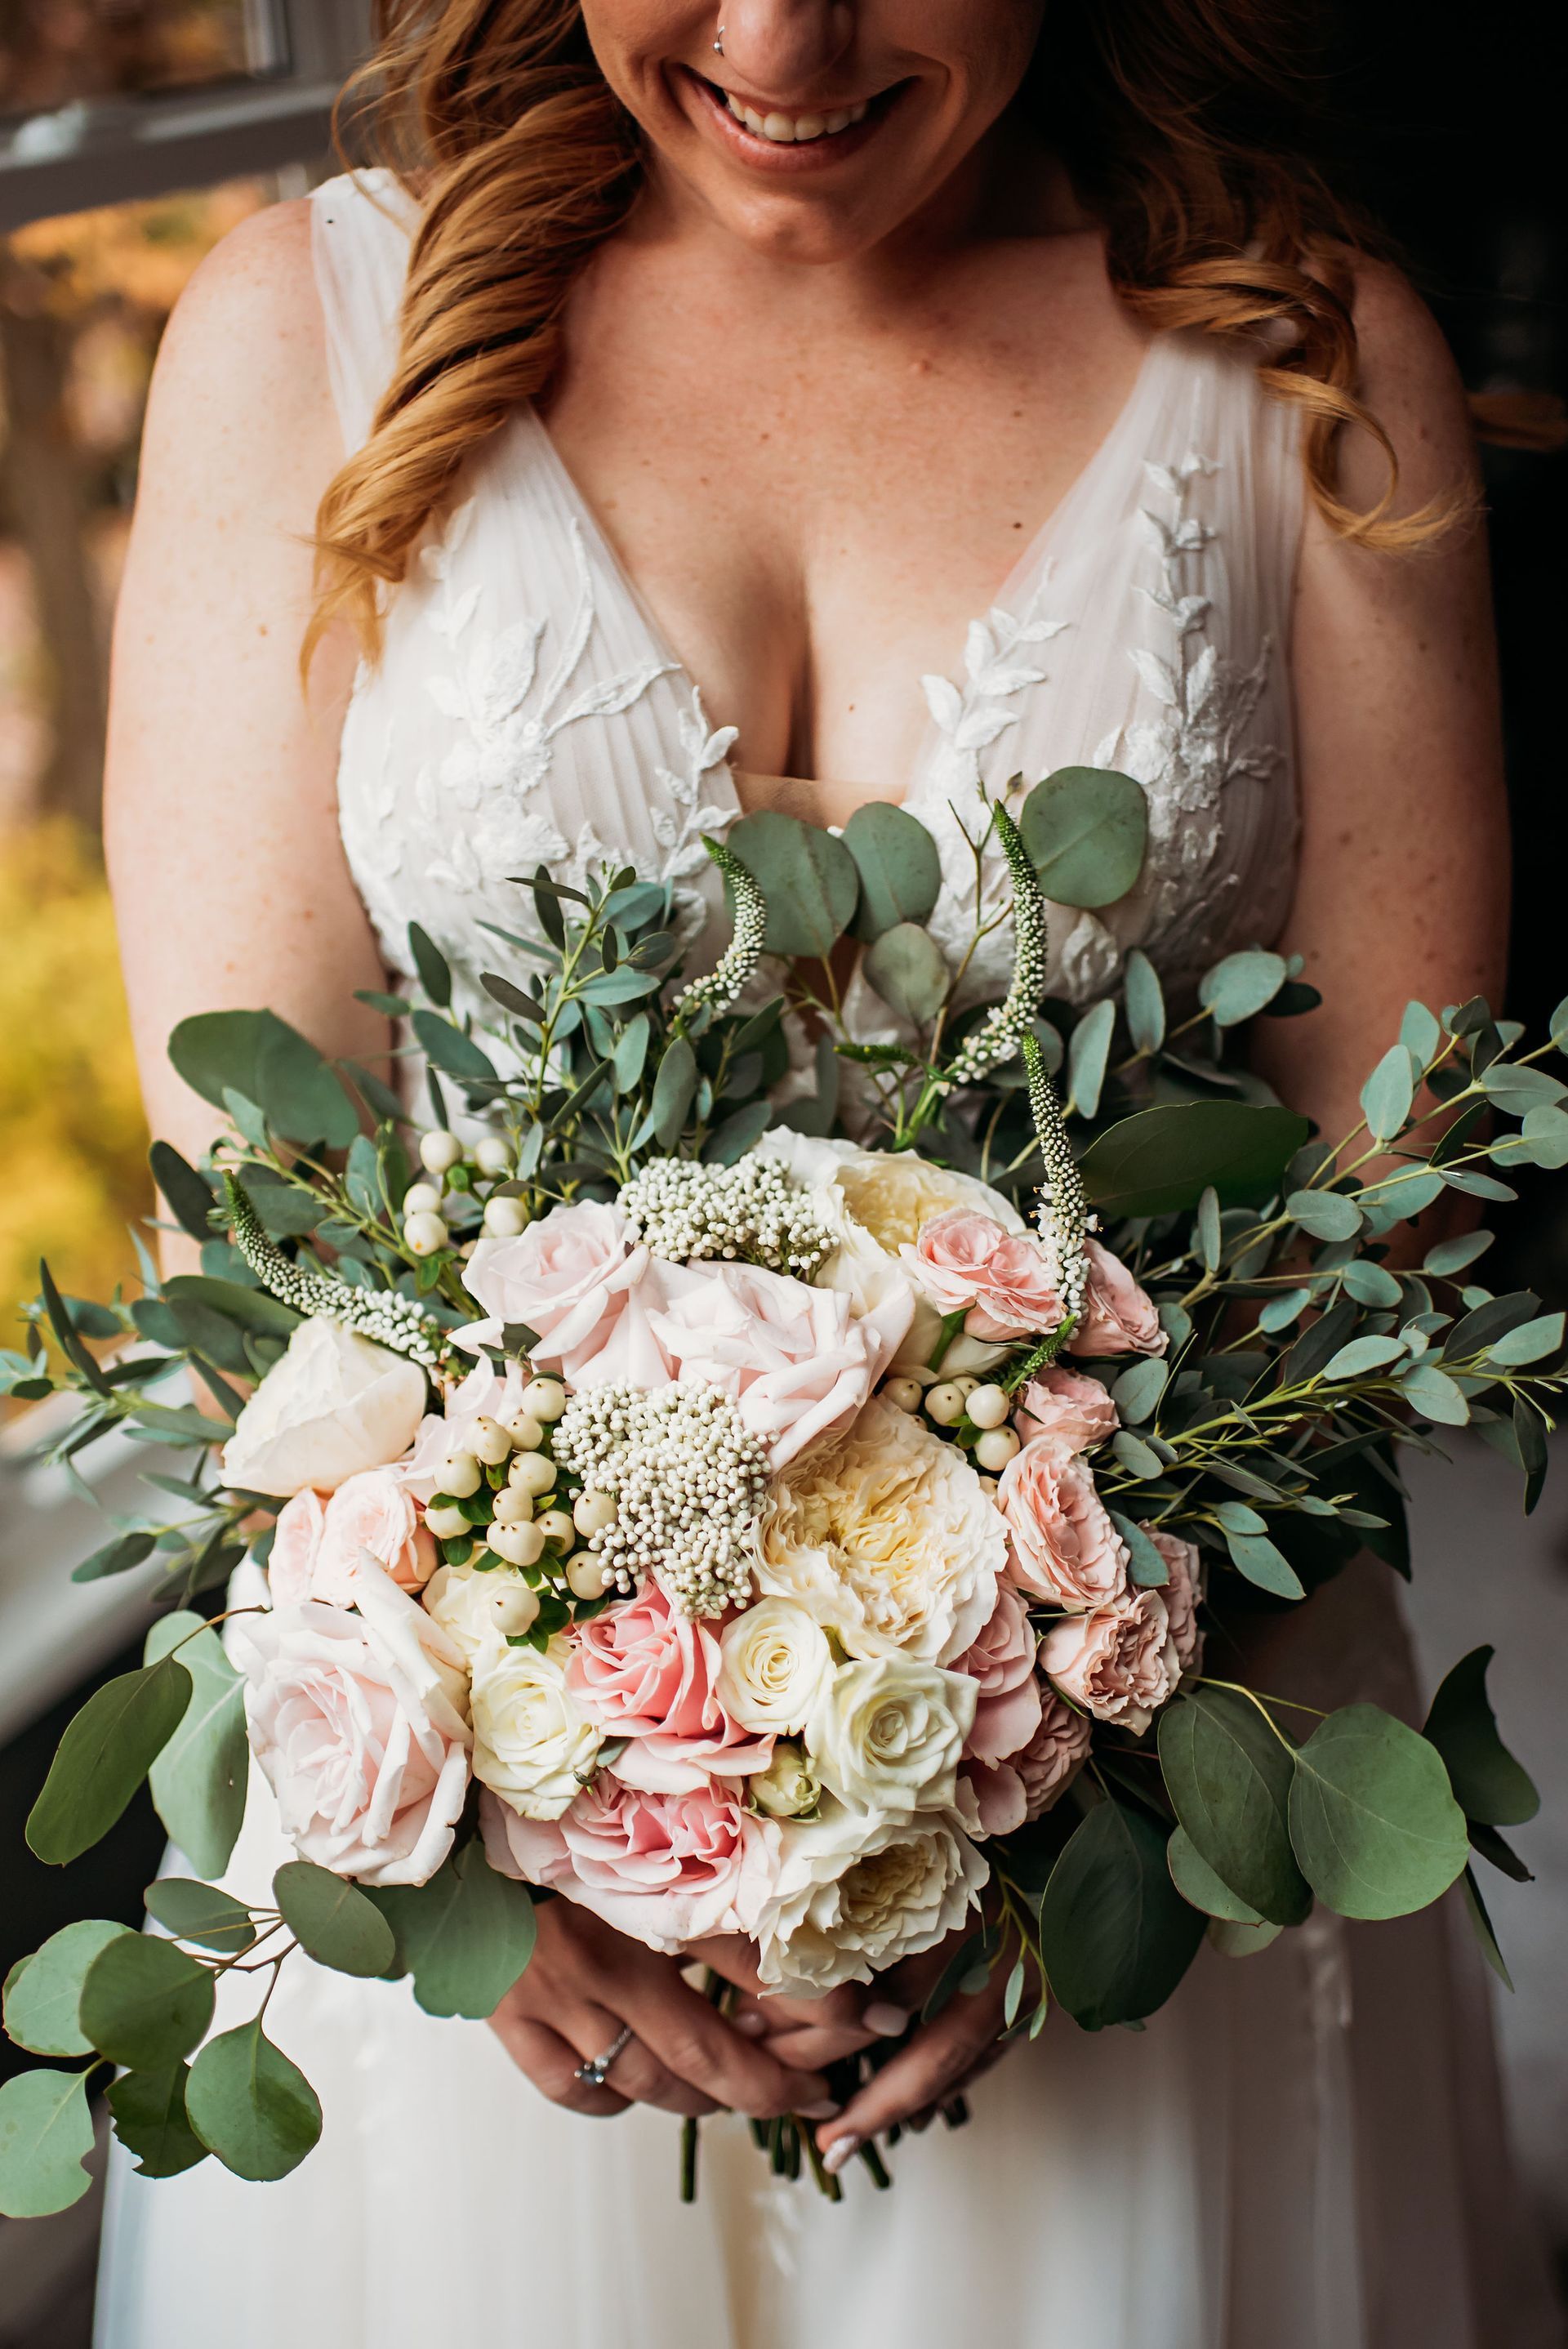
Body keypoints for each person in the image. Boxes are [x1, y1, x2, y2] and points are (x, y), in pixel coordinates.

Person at [94, 3, 1557, 2345]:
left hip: (1149, 1810)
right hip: (500, 1888)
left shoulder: (1310, 359)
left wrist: (1121, 1807)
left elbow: (1412, 1176)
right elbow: (256, 1210)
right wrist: (468, 1844)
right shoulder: (302, 340)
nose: (785, 37)